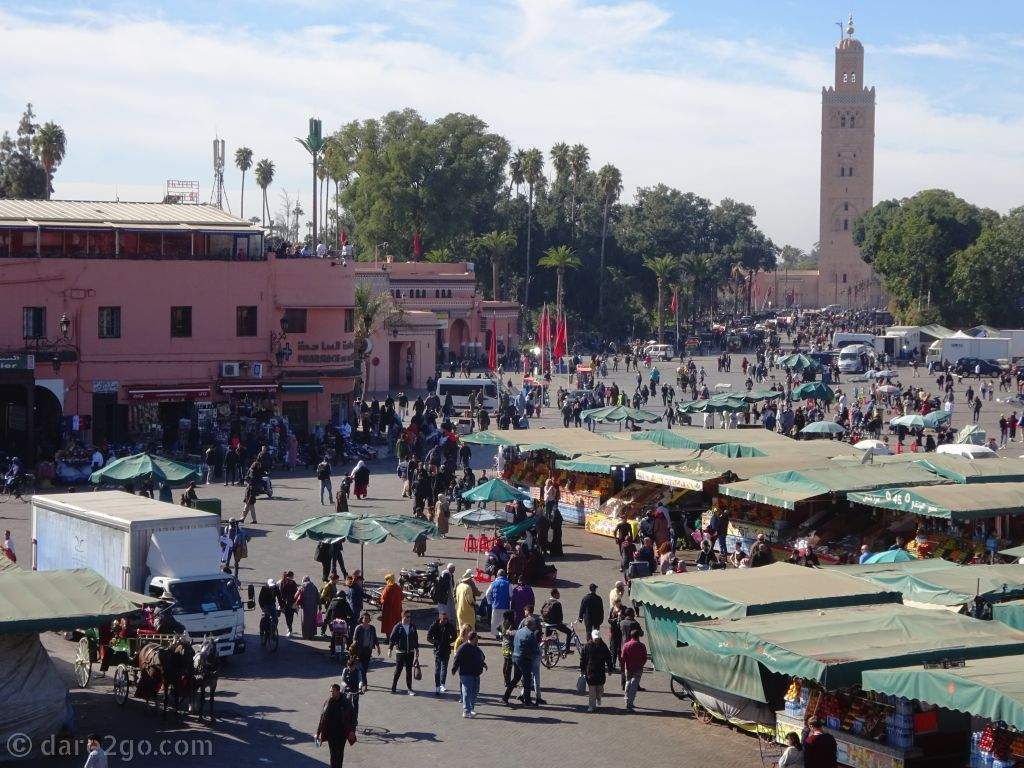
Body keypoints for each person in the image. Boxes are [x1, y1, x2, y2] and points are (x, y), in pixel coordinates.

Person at [502, 616, 540, 707]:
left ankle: (505, 697)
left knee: (515, 678)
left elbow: (512, 635)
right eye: (534, 624)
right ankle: (527, 701)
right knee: (527, 680)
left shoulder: (519, 631)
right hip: (525, 659)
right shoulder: (531, 634)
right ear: (531, 625)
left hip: (515, 657)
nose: (535, 626)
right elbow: (535, 650)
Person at [316, 683, 356, 768]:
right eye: (330, 691)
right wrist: (318, 733)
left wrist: (352, 731)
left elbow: (353, 718)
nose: (331, 693)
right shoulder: (328, 702)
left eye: (333, 692)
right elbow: (322, 718)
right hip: (331, 733)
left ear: (338, 691)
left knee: (339, 753)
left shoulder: (346, 702)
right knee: (333, 754)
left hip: (342, 733)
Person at [451, 631, 487, 717]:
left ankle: (471, 708)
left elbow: (480, 658)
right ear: (474, 639)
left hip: (476, 673)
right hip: (466, 673)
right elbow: (457, 659)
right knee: (467, 691)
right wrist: (454, 669)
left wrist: (484, 664)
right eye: (477, 638)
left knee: (475, 691)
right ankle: (466, 711)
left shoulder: (476, 648)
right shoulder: (463, 647)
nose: (477, 640)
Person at [388, 610, 420, 695]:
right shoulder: (398, 626)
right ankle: (393, 687)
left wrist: (417, 649)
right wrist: (390, 649)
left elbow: (415, 638)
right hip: (400, 652)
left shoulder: (412, 626)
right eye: (407, 617)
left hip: (410, 652)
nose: (409, 619)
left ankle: (409, 689)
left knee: (409, 671)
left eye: (410, 617)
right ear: (402, 617)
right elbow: (392, 638)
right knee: (398, 670)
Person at [579, 629, 612, 712]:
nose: (596, 640)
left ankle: (599, 697)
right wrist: (582, 670)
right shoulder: (586, 647)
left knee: (600, 689)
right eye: (595, 639)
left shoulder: (603, 646)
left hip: (600, 671)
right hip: (590, 672)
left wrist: (610, 668)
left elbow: (608, 658)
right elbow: (582, 659)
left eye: (598, 639)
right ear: (592, 638)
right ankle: (591, 706)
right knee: (592, 690)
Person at [426, 610, 457, 694]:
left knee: (444, 667)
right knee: (437, 669)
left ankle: (442, 684)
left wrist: (448, 641)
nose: (446, 620)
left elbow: (454, 636)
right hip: (438, 650)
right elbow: (428, 637)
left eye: (447, 618)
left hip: (446, 649)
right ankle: (437, 686)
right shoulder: (434, 625)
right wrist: (436, 642)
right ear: (440, 618)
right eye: (444, 618)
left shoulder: (449, 626)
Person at [620, 628, 648, 711]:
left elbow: (622, 658)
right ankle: (630, 703)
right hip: (638, 668)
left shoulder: (626, 645)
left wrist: (623, 667)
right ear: (638, 636)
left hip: (628, 667)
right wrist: (642, 664)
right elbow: (645, 657)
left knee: (628, 682)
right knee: (634, 685)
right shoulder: (642, 645)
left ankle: (626, 699)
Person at [352, 612, 381, 683]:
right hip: (360, 650)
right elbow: (354, 638)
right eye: (365, 618)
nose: (366, 620)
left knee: (365, 667)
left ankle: (361, 679)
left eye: (367, 618)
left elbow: (375, 638)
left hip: (368, 650)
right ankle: (364, 683)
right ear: (362, 619)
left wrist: (378, 647)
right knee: (362, 667)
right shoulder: (358, 628)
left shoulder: (372, 628)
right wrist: (354, 643)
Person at [484, 569, 511, 638]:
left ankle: (497, 635)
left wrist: (490, 602)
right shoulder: (508, 583)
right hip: (505, 606)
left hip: (495, 606)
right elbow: (511, 595)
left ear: (497, 575)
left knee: (495, 621)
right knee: (503, 621)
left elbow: (487, 593)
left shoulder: (494, 583)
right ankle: (502, 634)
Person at [296, 576, 320, 640]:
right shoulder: (314, 587)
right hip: (314, 607)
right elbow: (318, 597)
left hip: (305, 607)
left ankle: (305, 635)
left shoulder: (302, 586)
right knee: (312, 620)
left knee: (305, 621)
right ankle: (311, 635)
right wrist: (319, 606)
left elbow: (296, 596)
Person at [278, 570, 298, 637]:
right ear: (291, 576)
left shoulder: (283, 582)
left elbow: (281, 593)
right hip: (292, 602)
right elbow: (296, 592)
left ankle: (289, 629)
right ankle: (289, 629)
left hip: (285, 603)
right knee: (291, 617)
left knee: (287, 617)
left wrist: (281, 603)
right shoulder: (293, 582)